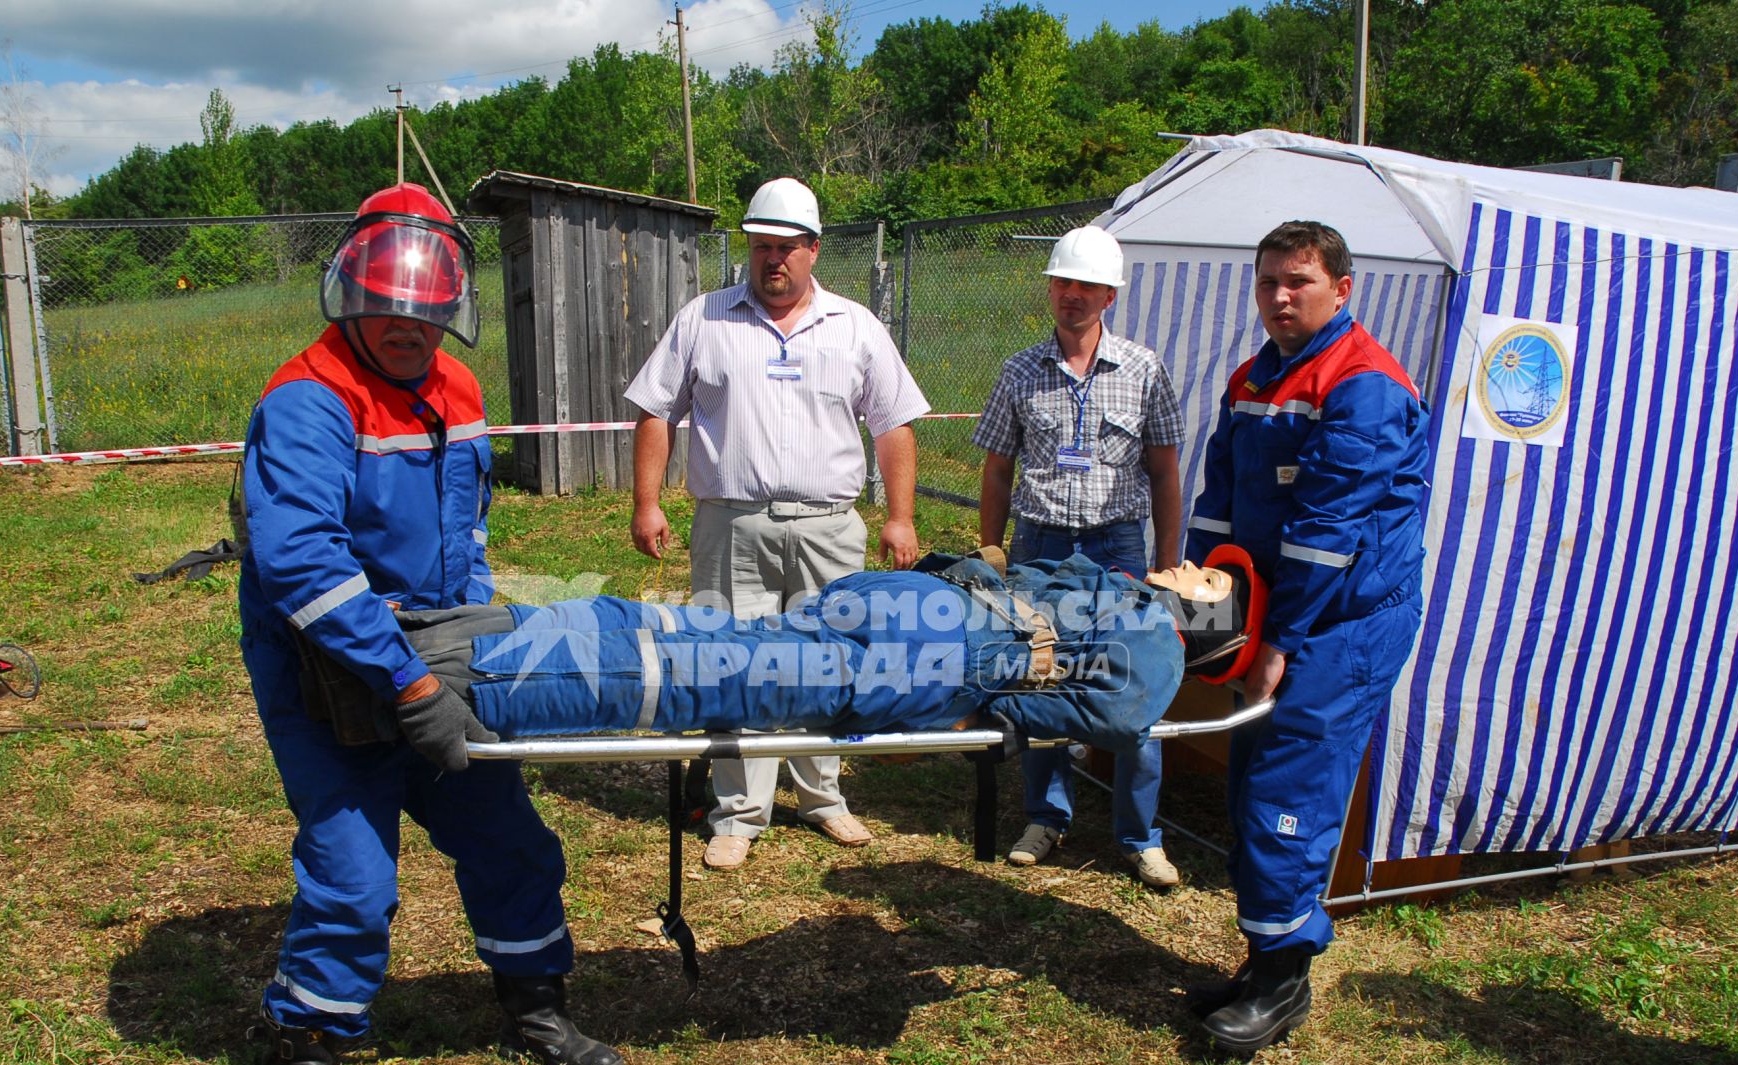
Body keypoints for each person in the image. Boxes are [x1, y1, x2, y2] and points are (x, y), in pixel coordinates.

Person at [237, 182, 623, 1065]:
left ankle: (533, 1004)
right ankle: (300, 1046)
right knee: (354, 876)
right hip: (325, 665)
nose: (408, 329)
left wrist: (475, 657)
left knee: (511, 840)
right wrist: (404, 684)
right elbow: (302, 565)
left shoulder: (456, 389)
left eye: (427, 313)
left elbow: (464, 532)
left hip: (440, 651)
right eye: (389, 308)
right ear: (349, 294)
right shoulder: (307, 402)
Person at [625, 177, 930, 869]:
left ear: (813, 250)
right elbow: (654, 410)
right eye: (762, 247)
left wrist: (900, 516)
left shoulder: (853, 326)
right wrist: (647, 503)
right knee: (737, 662)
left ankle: (824, 798)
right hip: (732, 525)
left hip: (829, 527)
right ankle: (738, 813)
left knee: (830, 664)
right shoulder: (703, 319)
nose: (773, 261)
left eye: (787, 248)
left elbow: (894, 425)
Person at [1183, 220, 1428, 1058]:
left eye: (1298, 282)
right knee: (1251, 780)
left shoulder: (1363, 385)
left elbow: (1326, 532)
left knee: (1291, 794)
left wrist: (1279, 642)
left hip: (1340, 625)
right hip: (1277, 613)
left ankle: (1284, 985)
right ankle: (1262, 961)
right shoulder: (1254, 376)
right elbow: (1218, 502)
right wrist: (1198, 607)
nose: (1279, 299)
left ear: (1341, 289)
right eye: (1267, 284)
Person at [394, 546, 1261, 749]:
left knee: (691, 635)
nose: (1195, 566)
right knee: (697, 669)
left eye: (1211, 583)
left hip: (924, 620)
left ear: (1208, 627)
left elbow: (1093, 715)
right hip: (933, 643)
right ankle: (466, 676)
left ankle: (456, 646)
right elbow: (1067, 715)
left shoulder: (1157, 650)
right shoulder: (1131, 618)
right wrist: (991, 694)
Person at [974, 225, 1187, 890]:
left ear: (1109, 296)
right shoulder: (1018, 371)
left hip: (1116, 548)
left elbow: (1164, 473)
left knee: (1133, 687)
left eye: (1086, 285)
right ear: (1049, 288)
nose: (1072, 295)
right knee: (1042, 680)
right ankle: (1045, 817)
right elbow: (997, 469)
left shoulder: (1144, 371)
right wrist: (991, 547)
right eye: (1063, 282)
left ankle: (1139, 835)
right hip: (1039, 548)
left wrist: (1170, 565)